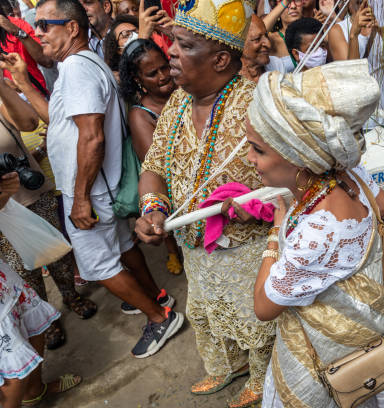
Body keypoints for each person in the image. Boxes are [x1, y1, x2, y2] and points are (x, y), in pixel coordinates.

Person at [247, 59, 384, 407]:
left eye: (258, 149)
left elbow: (263, 307)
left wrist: (277, 233)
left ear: (299, 157)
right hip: (369, 332)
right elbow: (383, 207)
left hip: (334, 361)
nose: (249, 158)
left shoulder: (319, 231)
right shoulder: (348, 173)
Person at [135, 0, 275, 405]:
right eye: (172, 44)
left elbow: (289, 184)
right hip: (195, 249)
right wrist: (153, 208)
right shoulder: (177, 103)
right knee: (207, 314)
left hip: (248, 252)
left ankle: (260, 379)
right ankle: (226, 367)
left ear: (218, 59)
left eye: (183, 45)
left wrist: (256, 206)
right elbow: (154, 166)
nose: (170, 54)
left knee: (255, 321)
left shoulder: (256, 105)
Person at [24, 0, 183, 358]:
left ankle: (159, 317)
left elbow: (92, 135)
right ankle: (157, 297)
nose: (38, 33)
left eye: (46, 25)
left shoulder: (78, 69)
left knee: (98, 266)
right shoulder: (80, 64)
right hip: (98, 186)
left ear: (72, 28)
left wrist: (79, 198)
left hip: (91, 191)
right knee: (124, 248)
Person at [0, 64, 97, 350]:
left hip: (30, 194)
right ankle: (47, 320)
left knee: (56, 253)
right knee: (25, 270)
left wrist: (3, 86)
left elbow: (30, 123)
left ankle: (71, 296)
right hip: (2, 213)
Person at [0, 172, 81, 408]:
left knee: (30, 325)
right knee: (10, 366)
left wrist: (3, 195)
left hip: (5, 280)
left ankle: (35, 391)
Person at [118, 38, 182, 275]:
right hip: (171, 187)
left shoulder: (184, 90)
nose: (163, 75)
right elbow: (156, 165)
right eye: (152, 73)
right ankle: (173, 250)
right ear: (138, 80)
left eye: (165, 67)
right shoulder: (140, 115)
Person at [0, 1, 53, 95]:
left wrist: (17, 32)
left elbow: (46, 61)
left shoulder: (17, 25)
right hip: (7, 101)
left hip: (35, 94)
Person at [263, 0, 302, 72]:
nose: (293, 6)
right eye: (287, 2)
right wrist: (285, 2)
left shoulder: (312, 32)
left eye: (297, 0)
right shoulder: (272, 40)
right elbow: (258, 32)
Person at [239, 14, 271, 82]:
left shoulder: (277, 64)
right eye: (257, 39)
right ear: (240, 43)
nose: (268, 44)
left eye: (266, 36)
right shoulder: (230, 79)